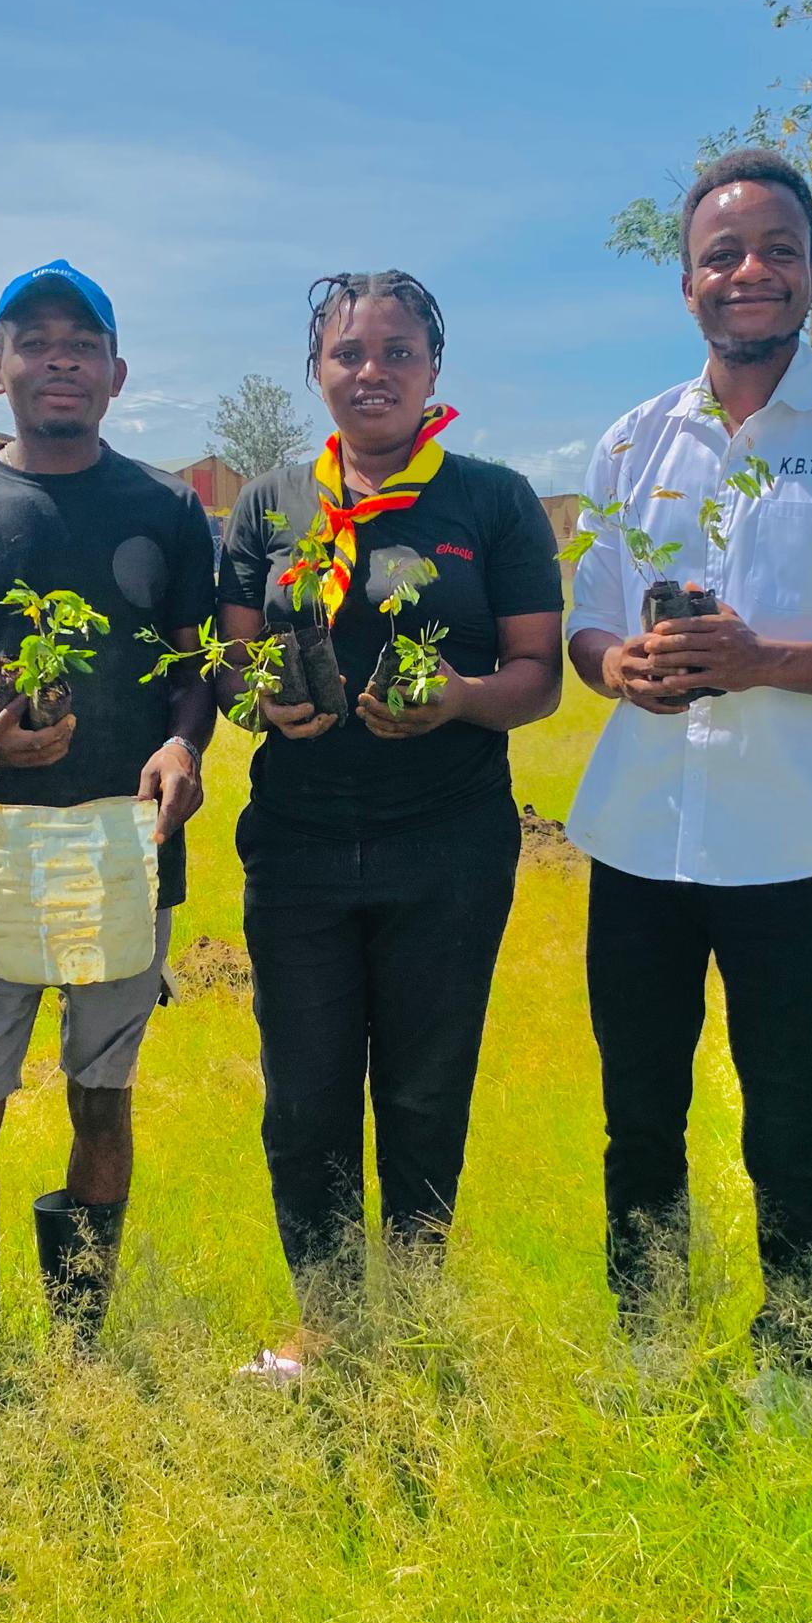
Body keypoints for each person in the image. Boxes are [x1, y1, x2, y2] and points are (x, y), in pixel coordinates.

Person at [564, 149, 812, 1368]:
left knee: (792, 1124)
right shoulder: (632, 444)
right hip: (637, 845)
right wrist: (612, 667)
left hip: (791, 852)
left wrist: (762, 660)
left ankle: (793, 1361)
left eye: (776, 250)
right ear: (686, 286)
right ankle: (653, 1349)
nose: (750, 272)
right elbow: (589, 617)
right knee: (640, 1121)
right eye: (722, 255)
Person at [217, 271, 563, 1378]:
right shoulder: (269, 504)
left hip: (448, 841)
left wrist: (456, 699)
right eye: (349, 353)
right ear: (316, 368)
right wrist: (258, 698)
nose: (373, 372)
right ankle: (325, 1330)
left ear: (432, 369)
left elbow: (538, 676)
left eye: (398, 351)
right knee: (306, 1098)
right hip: (301, 845)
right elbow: (226, 668)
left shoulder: (491, 501)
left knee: (422, 1088)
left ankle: (409, 1323)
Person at [0, 260, 215, 1380]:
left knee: (101, 1102)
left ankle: (81, 1351)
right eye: (34, 341)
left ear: (116, 375)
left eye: (82, 342)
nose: (59, 357)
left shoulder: (167, 508)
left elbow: (192, 669)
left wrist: (183, 741)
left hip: (126, 846)